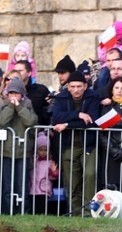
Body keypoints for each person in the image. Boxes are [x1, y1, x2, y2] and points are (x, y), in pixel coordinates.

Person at [50, 71, 100, 215]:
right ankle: (75, 213)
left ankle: (88, 212)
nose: (76, 90)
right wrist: (77, 115)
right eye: (73, 86)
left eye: (79, 86)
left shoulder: (93, 97)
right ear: (68, 87)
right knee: (72, 182)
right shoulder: (61, 97)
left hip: (88, 144)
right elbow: (56, 118)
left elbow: (92, 121)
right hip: (69, 145)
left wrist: (66, 125)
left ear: (85, 86)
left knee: (90, 175)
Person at [0, 76, 37, 214]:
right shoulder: (5, 106)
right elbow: (1, 121)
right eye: (11, 93)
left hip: (23, 152)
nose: (13, 96)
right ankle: (8, 212)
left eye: (16, 93)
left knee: (22, 186)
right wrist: (11, 106)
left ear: (22, 94)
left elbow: (31, 121)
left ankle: (23, 212)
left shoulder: (28, 105)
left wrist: (19, 107)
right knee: (7, 186)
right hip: (7, 152)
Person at [27, 132, 60, 214]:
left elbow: (53, 177)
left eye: (45, 150)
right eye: (41, 150)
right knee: (33, 206)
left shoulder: (50, 162)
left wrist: (53, 171)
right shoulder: (33, 160)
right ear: (37, 150)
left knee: (42, 207)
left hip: (44, 190)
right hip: (32, 188)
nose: (43, 152)